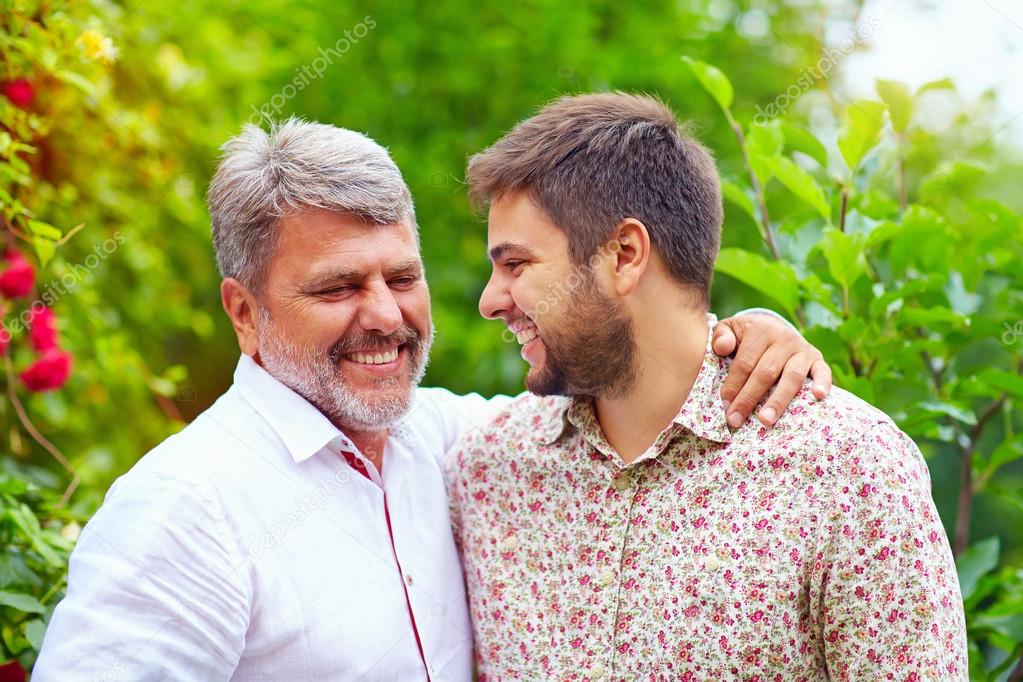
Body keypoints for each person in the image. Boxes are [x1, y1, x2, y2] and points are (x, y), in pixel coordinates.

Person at [35, 118, 831, 681]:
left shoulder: (459, 443)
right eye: (339, 286)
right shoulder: (185, 509)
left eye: (402, 277)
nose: (385, 315)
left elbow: (635, 389)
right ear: (245, 313)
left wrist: (740, 337)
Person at [447, 92, 968, 680]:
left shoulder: (849, 471)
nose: (490, 302)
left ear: (624, 255)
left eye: (516, 265)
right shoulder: (487, 470)